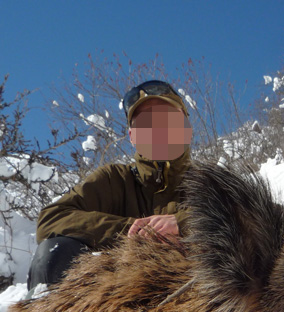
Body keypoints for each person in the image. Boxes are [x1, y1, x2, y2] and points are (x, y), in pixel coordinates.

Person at [27, 80, 193, 289]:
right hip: (120, 295)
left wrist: (183, 223)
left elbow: (245, 219)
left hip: (201, 296)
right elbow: (51, 219)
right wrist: (133, 232)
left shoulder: (217, 183)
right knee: (54, 250)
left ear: (187, 128)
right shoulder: (113, 179)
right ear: (133, 137)